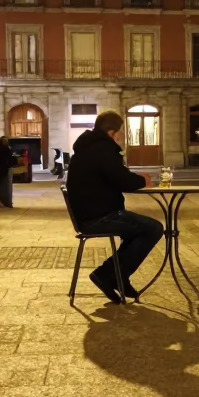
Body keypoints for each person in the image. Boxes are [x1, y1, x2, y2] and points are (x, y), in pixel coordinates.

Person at [65, 110, 164, 303]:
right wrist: (142, 180)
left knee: (135, 231)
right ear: (111, 132)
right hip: (99, 217)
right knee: (153, 228)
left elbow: (115, 175)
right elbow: (123, 180)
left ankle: (119, 276)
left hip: (91, 214)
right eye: (120, 133)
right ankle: (108, 274)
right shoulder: (102, 149)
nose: (121, 137)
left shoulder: (90, 148)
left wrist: (133, 178)